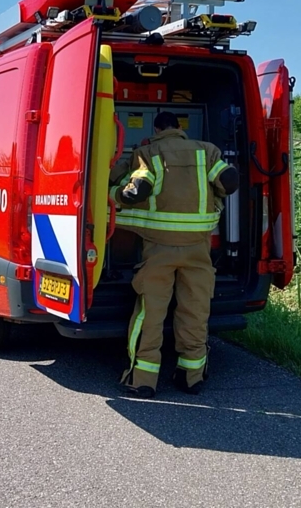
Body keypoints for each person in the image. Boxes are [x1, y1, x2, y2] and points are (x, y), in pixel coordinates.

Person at [110, 111, 239, 398]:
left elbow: (135, 192)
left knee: (150, 313)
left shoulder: (147, 153)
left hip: (159, 250)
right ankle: (191, 377)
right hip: (198, 251)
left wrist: (114, 192)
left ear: (156, 129)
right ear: (180, 127)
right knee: (195, 311)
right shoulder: (207, 151)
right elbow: (229, 181)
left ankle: (143, 380)